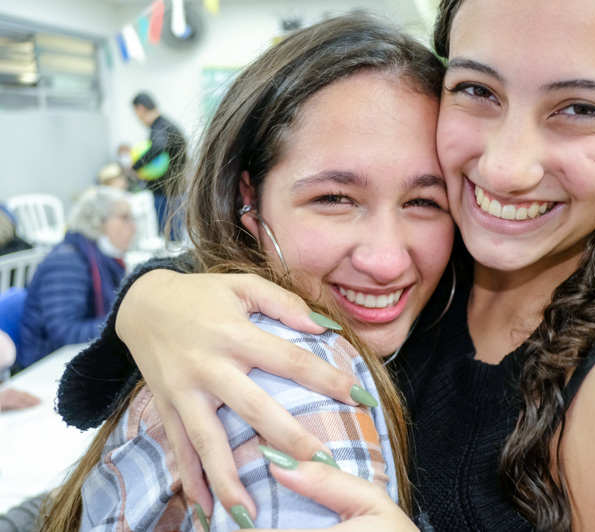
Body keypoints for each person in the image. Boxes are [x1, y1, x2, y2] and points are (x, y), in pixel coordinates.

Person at [57, 0, 595, 529]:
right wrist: (152, 300)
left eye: (581, 109)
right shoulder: (444, 258)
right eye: (478, 90)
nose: (504, 168)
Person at [46, 14, 452, 531]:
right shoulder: (291, 381)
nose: (388, 260)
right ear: (249, 199)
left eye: (424, 201)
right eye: (334, 198)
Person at [16, 187, 134, 369]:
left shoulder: (105, 259)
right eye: (125, 218)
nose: (134, 227)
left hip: (73, 357)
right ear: (97, 222)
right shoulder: (67, 262)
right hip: (45, 364)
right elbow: (66, 332)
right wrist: (127, 323)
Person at [130, 92, 188, 238]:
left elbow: (158, 147)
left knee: (170, 237)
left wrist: (136, 166)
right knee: (174, 235)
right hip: (174, 190)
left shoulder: (159, 126)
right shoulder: (167, 125)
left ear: (140, 109)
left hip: (166, 193)